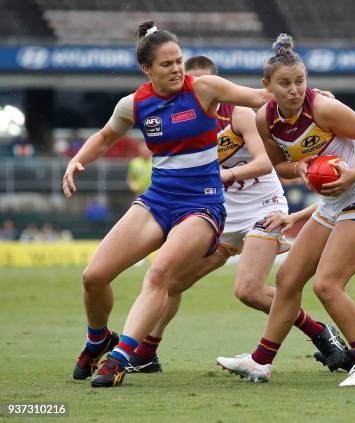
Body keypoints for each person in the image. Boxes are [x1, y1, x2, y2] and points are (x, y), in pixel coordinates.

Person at [64, 20, 274, 388]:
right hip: (158, 200)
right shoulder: (134, 104)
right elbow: (105, 135)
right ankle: (99, 339)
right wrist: (77, 160)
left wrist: (309, 97)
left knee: (159, 274)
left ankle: (120, 359)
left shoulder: (204, 88)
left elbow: (260, 98)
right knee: (93, 277)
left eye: (179, 60)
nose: (177, 68)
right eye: (167, 64)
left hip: (202, 205)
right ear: (147, 70)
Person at [126, 56, 348, 374]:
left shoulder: (240, 113)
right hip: (219, 214)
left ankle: (321, 335)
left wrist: (223, 177)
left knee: (249, 291)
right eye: (190, 83)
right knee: (171, 281)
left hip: (263, 206)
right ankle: (146, 353)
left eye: (203, 83)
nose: (195, 89)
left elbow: (263, 162)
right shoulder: (181, 121)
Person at [216, 34, 355, 387]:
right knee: (288, 279)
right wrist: (298, 169)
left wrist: (352, 174)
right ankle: (260, 362)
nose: (295, 90)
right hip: (331, 202)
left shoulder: (323, 108)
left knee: (327, 285)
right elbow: (276, 165)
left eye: (300, 81)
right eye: (285, 83)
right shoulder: (265, 119)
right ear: (266, 86)